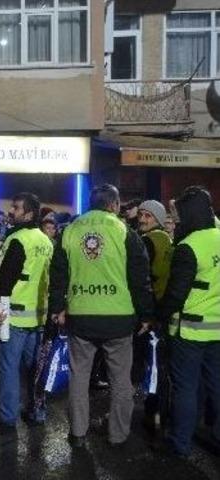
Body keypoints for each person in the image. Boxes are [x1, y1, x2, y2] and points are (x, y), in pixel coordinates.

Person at [49, 184, 154, 449]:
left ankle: (78, 433)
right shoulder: (124, 232)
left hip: (80, 316)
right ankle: (118, 435)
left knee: (79, 377)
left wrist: (57, 308)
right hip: (119, 319)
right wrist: (146, 314)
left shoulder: (69, 231)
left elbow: (58, 275)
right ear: (115, 205)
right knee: (120, 380)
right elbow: (139, 279)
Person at [157, 186, 220, 457]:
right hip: (217, 329)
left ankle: (179, 443)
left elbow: (176, 295)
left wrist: (158, 318)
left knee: (185, 389)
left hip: (190, 331)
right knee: (217, 386)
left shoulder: (189, 246)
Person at [0, 193, 53, 430]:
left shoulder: (17, 240)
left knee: (8, 368)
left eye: (15, 207)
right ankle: (37, 411)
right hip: (39, 317)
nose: (10, 211)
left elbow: (4, 280)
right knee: (35, 369)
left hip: (13, 316)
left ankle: (7, 416)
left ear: (28, 213)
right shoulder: (46, 241)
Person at [136, 200, 173, 433]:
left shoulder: (148, 241)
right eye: (140, 214)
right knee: (160, 365)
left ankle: (152, 414)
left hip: (151, 311)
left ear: (157, 219)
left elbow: (141, 278)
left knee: (151, 366)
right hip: (164, 310)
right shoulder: (168, 241)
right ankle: (161, 413)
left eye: (148, 216)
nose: (142, 219)